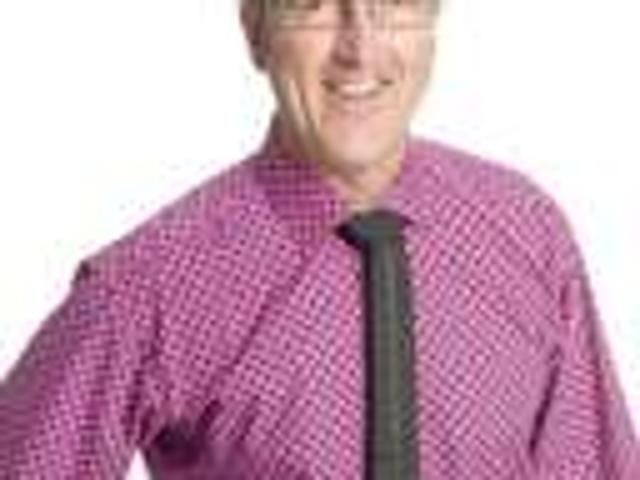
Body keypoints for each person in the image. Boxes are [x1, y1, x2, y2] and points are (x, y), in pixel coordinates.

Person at [1, 0, 638, 477]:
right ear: (254, 30)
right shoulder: (150, 284)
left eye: (394, 1)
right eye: (314, 4)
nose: (360, 47)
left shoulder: (527, 233)